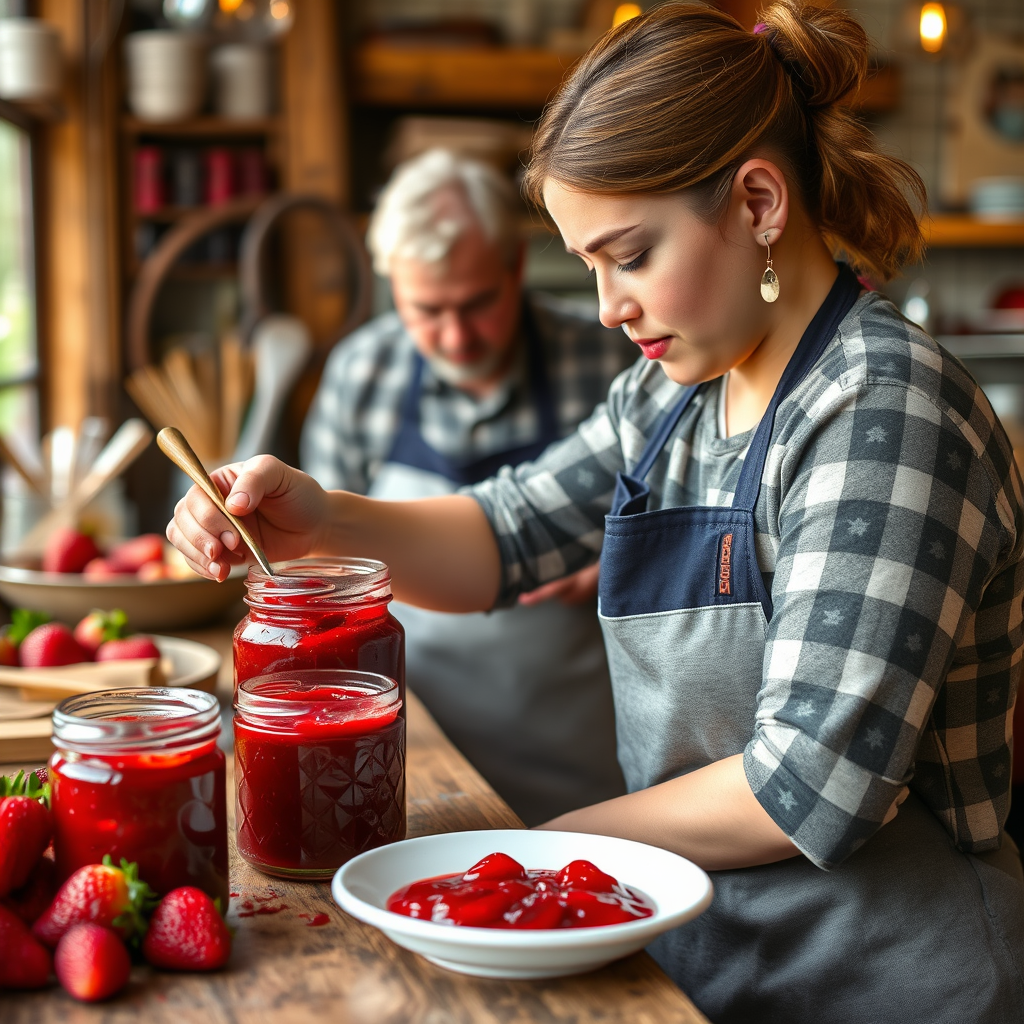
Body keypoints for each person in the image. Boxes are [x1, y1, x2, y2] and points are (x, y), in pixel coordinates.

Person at [168, 3, 1024, 1021]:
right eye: (587, 266)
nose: (609, 303)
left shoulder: (881, 409)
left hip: (886, 981)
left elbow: (811, 783)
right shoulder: (672, 395)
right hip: (707, 960)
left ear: (757, 200)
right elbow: (504, 537)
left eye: (629, 253)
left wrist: (551, 844)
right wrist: (325, 518)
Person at [300, 149, 632, 825]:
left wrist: (617, 562)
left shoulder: (612, 354)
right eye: (427, 310)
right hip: (413, 739)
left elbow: (685, 528)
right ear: (391, 283)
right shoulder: (362, 373)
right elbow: (326, 579)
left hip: (579, 748)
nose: (454, 336)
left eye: (477, 304)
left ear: (515, 266)